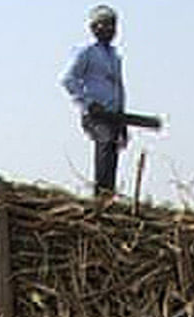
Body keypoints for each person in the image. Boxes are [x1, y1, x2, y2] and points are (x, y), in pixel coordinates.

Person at [61, 5, 128, 200]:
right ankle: (100, 195)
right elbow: (68, 79)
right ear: (94, 28)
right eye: (105, 25)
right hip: (95, 113)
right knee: (105, 142)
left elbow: (119, 88)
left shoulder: (115, 56)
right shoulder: (86, 52)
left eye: (113, 26)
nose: (110, 30)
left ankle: (108, 196)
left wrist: (122, 120)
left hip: (113, 113)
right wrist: (88, 103)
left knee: (113, 149)